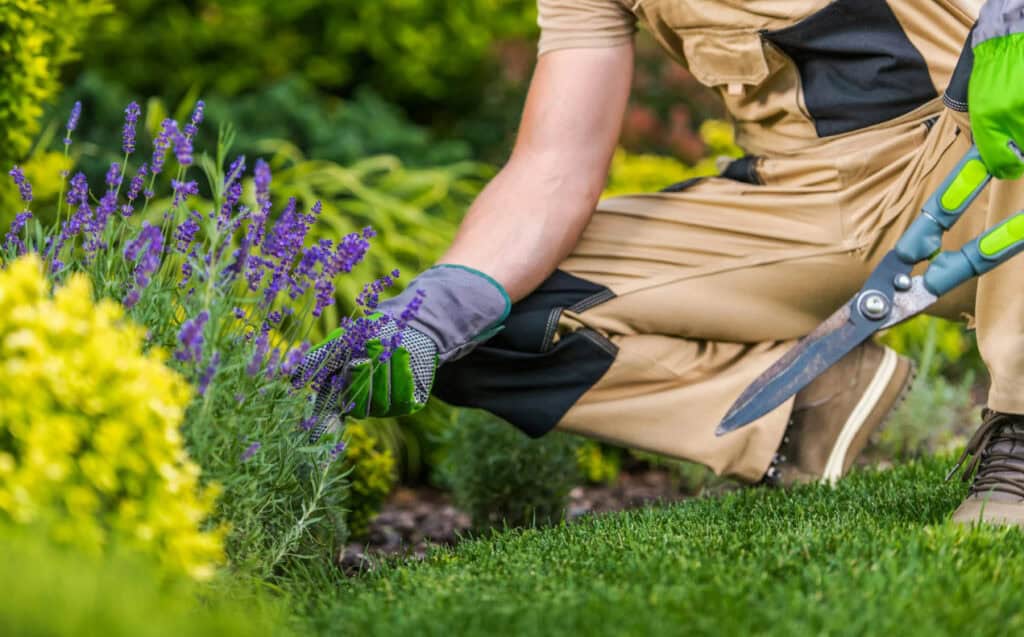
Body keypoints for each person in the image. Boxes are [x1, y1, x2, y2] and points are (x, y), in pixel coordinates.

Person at [302, 0, 1024, 525]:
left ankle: (1019, 438)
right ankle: (799, 409)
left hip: (969, 147)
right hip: (797, 202)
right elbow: (553, 165)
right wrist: (439, 310)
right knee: (490, 319)